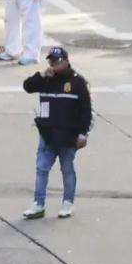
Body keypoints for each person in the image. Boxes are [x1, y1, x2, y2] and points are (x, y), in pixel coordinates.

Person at [21, 46, 91, 220]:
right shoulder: (46, 79)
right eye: (52, 61)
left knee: (67, 168)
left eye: (58, 61)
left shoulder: (77, 83)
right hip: (47, 134)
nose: (54, 65)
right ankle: (38, 204)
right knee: (41, 168)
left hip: (68, 136)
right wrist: (42, 75)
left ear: (67, 61)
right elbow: (27, 86)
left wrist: (83, 134)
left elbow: (86, 111)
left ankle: (67, 203)